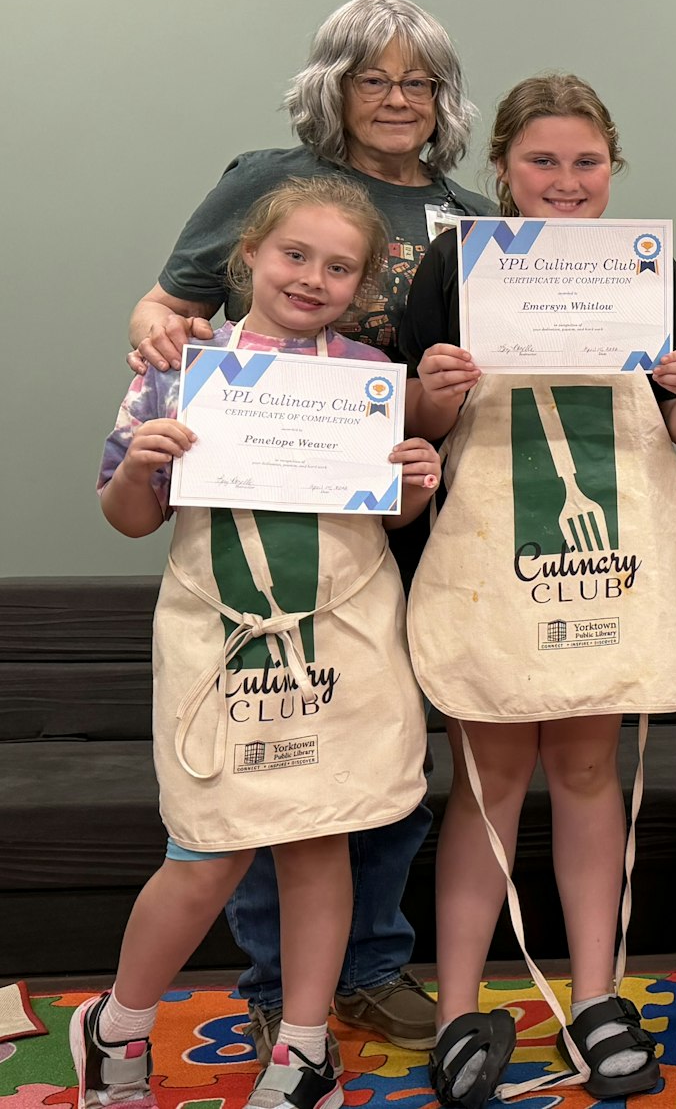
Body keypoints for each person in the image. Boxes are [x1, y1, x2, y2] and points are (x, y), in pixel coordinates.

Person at [124, 0, 494, 1057]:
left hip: (417, 515)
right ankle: (279, 979)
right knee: (266, 747)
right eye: (369, 77)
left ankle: (367, 965)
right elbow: (164, 306)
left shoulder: (472, 215)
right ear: (331, 86)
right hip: (266, 518)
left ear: (441, 99)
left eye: (415, 81)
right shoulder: (268, 183)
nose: (393, 99)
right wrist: (155, 349)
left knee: (372, 755)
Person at [74, 178, 438, 1109]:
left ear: (361, 288)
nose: (312, 277)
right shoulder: (179, 367)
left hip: (339, 646)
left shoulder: (367, 378)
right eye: (295, 255)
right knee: (205, 856)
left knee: (321, 841)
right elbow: (127, 517)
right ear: (249, 258)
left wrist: (418, 480)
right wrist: (146, 463)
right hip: (221, 649)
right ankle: (114, 1026)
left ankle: (304, 1049)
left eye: (339, 266)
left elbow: (387, 515)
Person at [400, 75, 676, 1107]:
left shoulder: (648, 272)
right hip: (495, 562)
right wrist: (432, 394)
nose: (566, 182)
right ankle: (458, 1009)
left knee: (587, 773)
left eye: (585, 163)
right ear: (500, 166)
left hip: (609, 559)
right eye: (542, 161)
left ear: (612, 168)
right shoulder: (455, 266)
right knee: (488, 786)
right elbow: (405, 430)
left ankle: (594, 999)